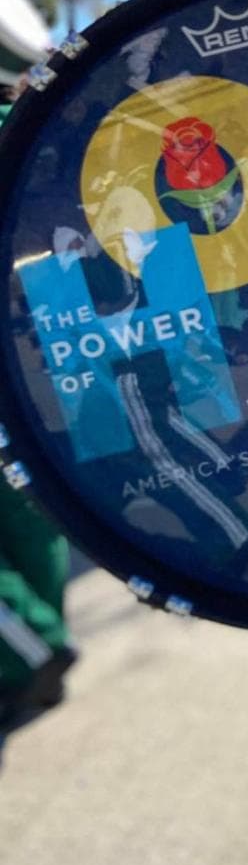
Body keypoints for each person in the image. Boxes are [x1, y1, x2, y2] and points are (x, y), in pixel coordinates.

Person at [0, 96, 78, 731]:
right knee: (27, 512)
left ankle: (33, 655)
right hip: (36, 355)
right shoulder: (31, 122)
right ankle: (39, 645)